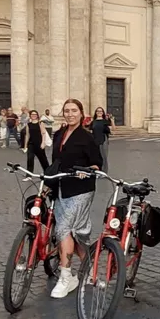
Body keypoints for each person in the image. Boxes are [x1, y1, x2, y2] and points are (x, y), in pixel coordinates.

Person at [49, 99, 102, 298]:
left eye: (74, 110)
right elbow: (56, 162)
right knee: (76, 234)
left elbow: (97, 163)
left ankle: (66, 277)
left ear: (81, 113)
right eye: (67, 111)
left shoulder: (87, 137)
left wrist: (87, 170)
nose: (70, 114)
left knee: (62, 229)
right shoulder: (59, 134)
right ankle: (90, 268)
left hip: (81, 190)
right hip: (61, 188)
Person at [22, 110, 50, 179]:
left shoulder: (40, 123)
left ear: (37, 115)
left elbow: (43, 134)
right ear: (30, 116)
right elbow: (27, 135)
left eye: (35, 114)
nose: (33, 116)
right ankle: (29, 176)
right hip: (31, 144)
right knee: (30, 159)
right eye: (32, 114)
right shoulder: (28, 124)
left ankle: (48, 173)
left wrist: (43, 143)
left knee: (43, 160)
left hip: (39, 144)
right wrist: (25, 145)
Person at [90, 107, 113, 173]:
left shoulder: (105, 121)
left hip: (103, 140)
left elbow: (112, 129)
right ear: (96, 113)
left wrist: (112, 120)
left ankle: (104, 172)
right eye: (98, 111)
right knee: (96, 156)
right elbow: (91, 131)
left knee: (103, 156)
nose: (99, 112)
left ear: (103, 113)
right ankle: (97, 171)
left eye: (101, 111)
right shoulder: (93, 122)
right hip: (95, 140)